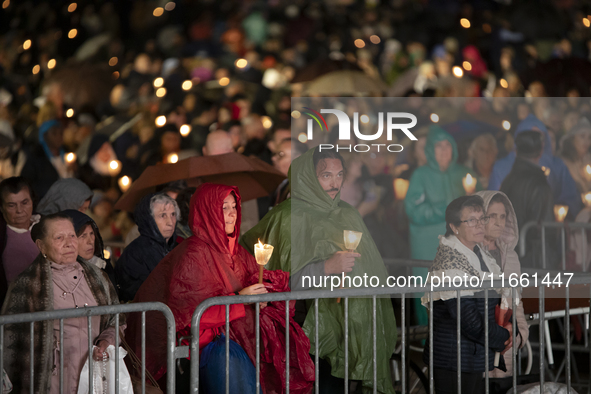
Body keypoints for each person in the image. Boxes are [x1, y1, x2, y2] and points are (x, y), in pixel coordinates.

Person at [127, 183, 314, 393]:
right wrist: (240, 299)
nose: (231, 214)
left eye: (234, 207)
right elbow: (189, 314)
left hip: (244, 341)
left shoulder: (238, 252)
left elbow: (254, 294)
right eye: (224, 207)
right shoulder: (194, 254)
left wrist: (263, 299)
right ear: (207, 210)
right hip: (210, 349)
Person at [241, 147, 397, 394]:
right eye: (326, 175)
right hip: (302, 328)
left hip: (344, 324)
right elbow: (274, 281)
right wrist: (325, 267)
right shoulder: (286, 218)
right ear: (307, 177)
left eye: (339, 174)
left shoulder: (348, 213)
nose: (335, 182)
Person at [2, 213, 124, 393]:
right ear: (41, 246)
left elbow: (117, 320)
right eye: (59, 238)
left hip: (95, 376)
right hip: (53, 381)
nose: (69, 243)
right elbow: (12, 343)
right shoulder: (27, 284)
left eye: (72, 235)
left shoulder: (98, 277)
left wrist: (106, 341)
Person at [422, 196, 512, 394]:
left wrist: (507, 324)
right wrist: (503, 336)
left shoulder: (479, 253)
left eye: (482, 218)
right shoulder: (449, 263)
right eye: (471, 220)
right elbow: (468, 319)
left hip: (471, 354)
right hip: (453, 358)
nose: (480, 225)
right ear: (454, 227)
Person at [404, 125, 481, 326]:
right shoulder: (421, 175)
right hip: (427, 249)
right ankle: (425, 344)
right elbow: (413, 210)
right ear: (430, 149)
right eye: (438, 146)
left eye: (448, 145)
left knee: (461, 297)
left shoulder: (465, 173)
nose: (444, 150)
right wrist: (443, 209)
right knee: (429, 297)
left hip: (460, 249)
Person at [476, 191, 529, 380]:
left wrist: (519, 335)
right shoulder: (466, 254)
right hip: (475, 344)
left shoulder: (511, 257)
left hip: (505, 342)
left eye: (503, 216)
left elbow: (516, 301)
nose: (499, 222)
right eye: (492, 216)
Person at [489, 114, 581, 219]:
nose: (535, 142)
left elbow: (571, 198)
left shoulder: (557, 166)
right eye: (531, 137)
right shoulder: (502, 168)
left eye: (539, 138)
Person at [501, 131, 555, 268]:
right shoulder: (539, 184)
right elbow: (545, 228)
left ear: (516, 150)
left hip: (510, 254)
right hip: (533, 259)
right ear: (541, 150)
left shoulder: (508, 180)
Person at [115, 193, 178, 302]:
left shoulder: (177, 247)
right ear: (149, 219)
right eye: (162, 215)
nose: (170, 222)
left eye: (173, 214)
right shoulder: (136, 253)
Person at [0, 177, 40, 305]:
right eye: (11, 205)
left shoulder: (46, 226)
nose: (19, 210)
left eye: (24, 202)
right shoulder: (3, 236)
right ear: (1, 208)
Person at [62, 209, 117, 287]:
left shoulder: (104, 267)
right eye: (83, 236)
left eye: (92, 234)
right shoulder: (60, 276)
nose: (90, 241)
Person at [21, 119, 73, 199]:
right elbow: (26, 183)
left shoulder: (68, 152)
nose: (59, 136)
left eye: (61, 133)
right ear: (45, 136)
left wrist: (76, 170)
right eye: (54, 133)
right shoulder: (36, 158)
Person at [559, 118, 591, 194]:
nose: (586, 141)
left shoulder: (588, 159)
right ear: (572, 138)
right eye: (582, 136)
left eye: (590, 137)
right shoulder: (563, 161)